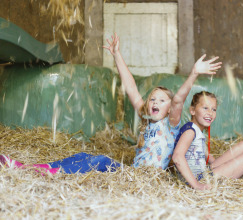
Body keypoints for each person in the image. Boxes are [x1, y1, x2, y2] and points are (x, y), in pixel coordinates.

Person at [0, 34, 222, 174]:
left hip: (139, 178)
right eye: (152, 98)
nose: (155, 102)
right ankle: (34, 168)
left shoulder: (171, 124)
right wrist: (117, 55)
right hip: (131, 172)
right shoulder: (147, 118)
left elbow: (180, 98)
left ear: (169, 108)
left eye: (162, 100)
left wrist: (193, 73)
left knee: (98, 160)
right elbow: (131, 87)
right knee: (82, 157)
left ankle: (46, 171)